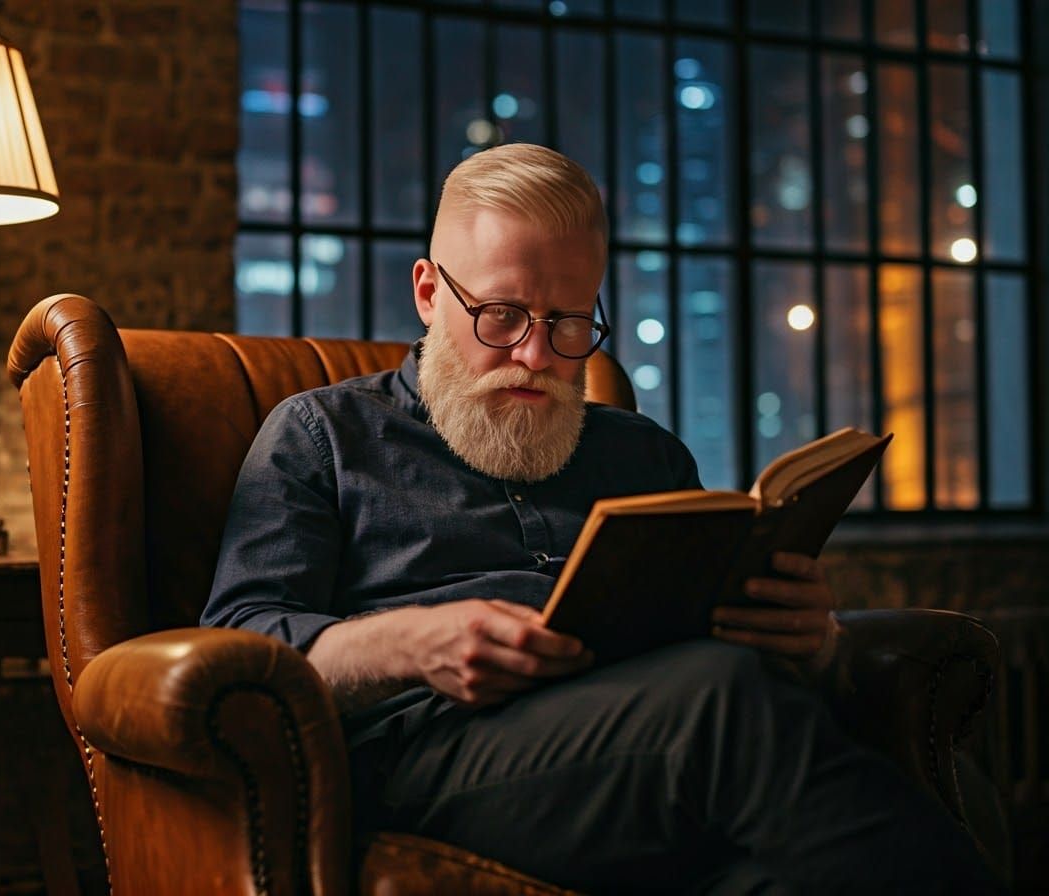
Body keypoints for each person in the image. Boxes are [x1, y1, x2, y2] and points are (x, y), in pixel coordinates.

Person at [201, 144, 996, 893]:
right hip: (434, 754)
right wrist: (409, 642)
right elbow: (241, 637)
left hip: (658, 737)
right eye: (502, 315)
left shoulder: (644, 454)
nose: (537, 356)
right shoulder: (323, 434)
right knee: (724, 702)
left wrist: (811, 642)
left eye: (570, 323)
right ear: (430, 292)